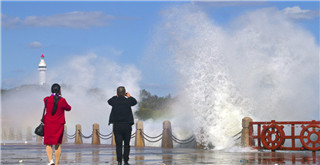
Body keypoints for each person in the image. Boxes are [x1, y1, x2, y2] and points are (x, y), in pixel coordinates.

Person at [42, 83, 71, 165]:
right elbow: (68, 108)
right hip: (58, 124)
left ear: (51, 90)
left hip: (48, 124)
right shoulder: (62, 100)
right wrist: (62, 98)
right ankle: (56, 163)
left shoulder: (46, 99)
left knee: (48, 143)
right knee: (58, 144)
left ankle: (50, 160)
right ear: (59, 90)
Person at [108, 86, 137, 165]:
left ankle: (119, 161)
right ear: (125, 93)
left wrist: (116, 96)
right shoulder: (128, 101)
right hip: (127, 125)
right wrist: (128, 96)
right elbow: (135, 102)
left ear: (117, 93)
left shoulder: (114, 101)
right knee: (127, 144)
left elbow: (109, 101)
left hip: (117, 126)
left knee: (118, 145)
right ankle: (126, 161)